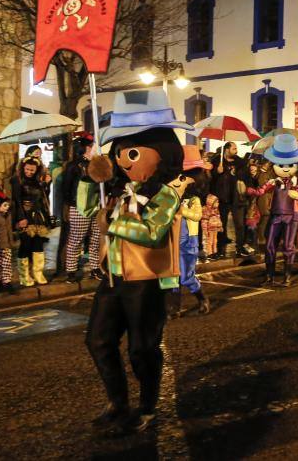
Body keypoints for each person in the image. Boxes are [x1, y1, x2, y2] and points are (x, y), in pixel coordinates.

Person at [80, 89, 191, 435]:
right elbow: (92, 213)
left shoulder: (166, 194)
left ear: (162, 154)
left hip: (147, 281)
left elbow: (152, 232)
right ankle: (117, 402)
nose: (124, 161)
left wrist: (112, 223)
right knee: (98, 341)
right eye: (119, 153)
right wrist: (91, 177)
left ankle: (147, 406)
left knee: (142, 350)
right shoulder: (117, 190)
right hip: (114, 277)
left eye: (132, 153)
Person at [246, 134, 298, 286]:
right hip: (276, 216)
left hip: (291, 217)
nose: (285, 168)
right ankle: (269, 276)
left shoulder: (296, 183)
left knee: (288, 246)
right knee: (269, 246)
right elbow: (261, 191)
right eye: (281, 164)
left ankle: (287, 276)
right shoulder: (274, 181)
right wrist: (248, 190)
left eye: (289, 165)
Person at [169, 145, 211, 315]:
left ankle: (202, 298)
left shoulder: (193, 200)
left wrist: (182, 210)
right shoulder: (168, 198)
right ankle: (174, 308)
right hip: (171, 241)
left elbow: (197, 216)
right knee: (172, 276)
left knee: (186, 276)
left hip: (188, 242)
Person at [62, 133, 101, 283]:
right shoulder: (75, 165)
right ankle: (71, 270)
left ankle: (95, 267)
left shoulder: (99, 163)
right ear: (88, 148)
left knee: (96, 239)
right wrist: (70, 204)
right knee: (76, 239)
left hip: (96, 205)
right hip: (78, 206)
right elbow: (66, 188)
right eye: (95, 146)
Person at [11, 156, 51, 286]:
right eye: (27, 169)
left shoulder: (38, 180)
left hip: (38, 216)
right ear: (22, 167)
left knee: (38, 244)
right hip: (25, 216)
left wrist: (46, 184)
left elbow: (43, 198)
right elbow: (16, 200)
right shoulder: (17, 180)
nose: (29, 172)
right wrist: (21, 218)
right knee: (25, 245)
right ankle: (24, 275)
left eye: (32, 170)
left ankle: (38, 273)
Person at [210, 142, 254, 257]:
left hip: (237, 199)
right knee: (221, 225)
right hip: (222, 199)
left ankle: (240, 248)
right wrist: (216, 172)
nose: (236, 151)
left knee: (240, 225)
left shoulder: (240, 163)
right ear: (227, 149)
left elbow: (247, 178)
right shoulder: (216, 161)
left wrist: (237, 175)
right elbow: (210, 179)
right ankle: (220, 250)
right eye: (234, 148)